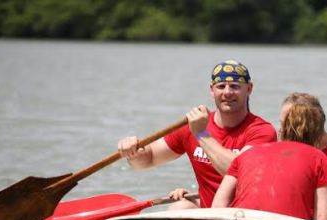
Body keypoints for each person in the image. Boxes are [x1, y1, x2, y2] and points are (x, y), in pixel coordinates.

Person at [118, 60, 277, 208]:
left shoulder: (262, 131)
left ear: (249, 89)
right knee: (179, 207)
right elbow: (148, 160)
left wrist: (202, 134)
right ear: (211, 90)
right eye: (221, 86)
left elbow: (240, 173)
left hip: (247, 218)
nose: (227, 93)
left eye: (235, 86)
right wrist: (133, 152)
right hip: (209, 218)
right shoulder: (193, 127)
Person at [212, 103, 327, 220]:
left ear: (282, 129)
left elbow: (218, 205)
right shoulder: (318, 158)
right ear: (318, 133)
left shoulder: (247, 153)